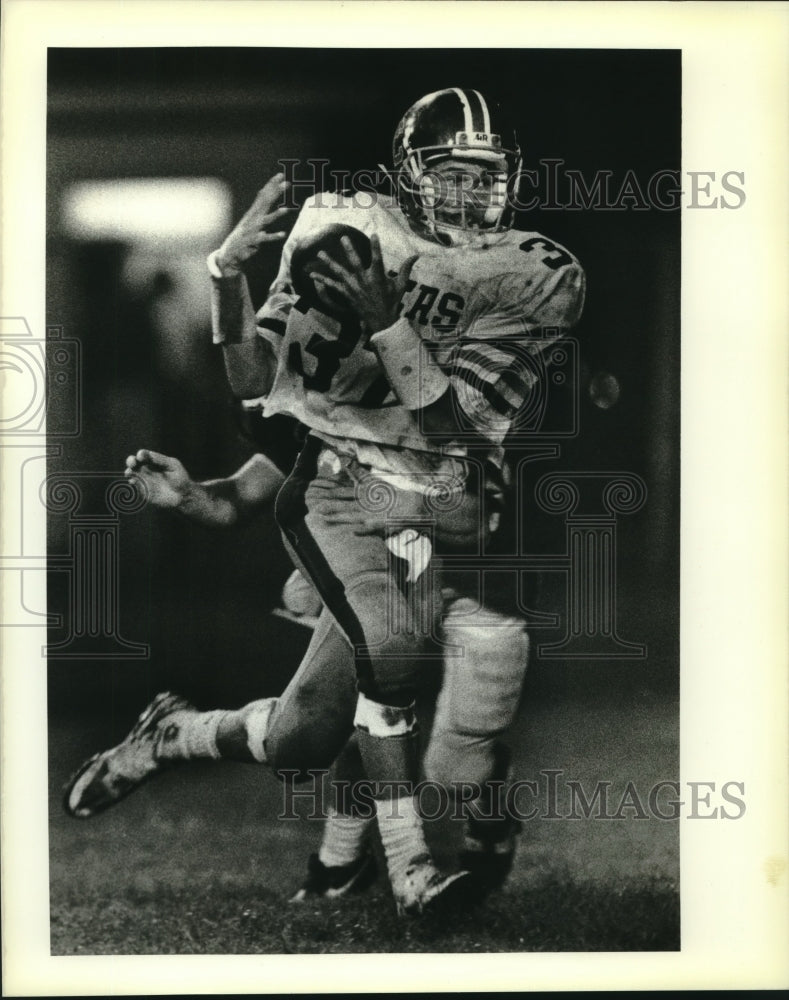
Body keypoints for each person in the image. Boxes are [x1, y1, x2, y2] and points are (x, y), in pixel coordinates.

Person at [65, 87, 585, 914]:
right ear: (411, 175)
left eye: (480, 174)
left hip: (459, 501)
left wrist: (387, 327)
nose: (465, 191)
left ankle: (227, 762)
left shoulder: (532, 272)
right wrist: (224, 275)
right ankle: (377, 858)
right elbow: (283, 415)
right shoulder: (341, 237)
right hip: (365, 505)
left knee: (384, 731)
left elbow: (449, 430)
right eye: (446, 171)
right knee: (351, 703)